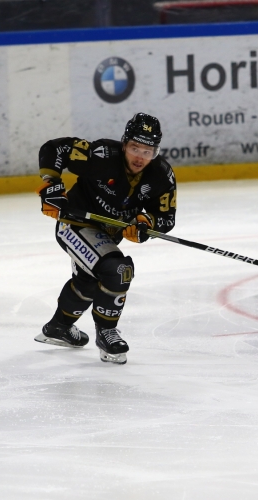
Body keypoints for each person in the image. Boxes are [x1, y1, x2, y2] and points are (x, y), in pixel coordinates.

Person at [34, 113, 177, 364]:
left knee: (89, 282)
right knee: (118, 270)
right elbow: (55, 148)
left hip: (108, 235)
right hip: (74, 224)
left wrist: (146, 223)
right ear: (124, 144)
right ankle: (107, 333)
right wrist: (51, 184)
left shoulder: (161, 175)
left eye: (148, 151)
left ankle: (58, 328)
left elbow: (166, 217)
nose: (140, 157)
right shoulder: (102, 155)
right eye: (134, 148)